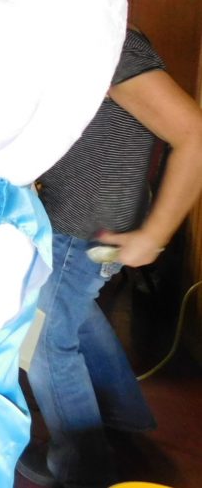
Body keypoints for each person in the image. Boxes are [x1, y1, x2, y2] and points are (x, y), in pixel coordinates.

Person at [20, 28, 202, 488]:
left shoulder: (109, 41)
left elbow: (195, 136)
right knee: (78, 317)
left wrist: (156, 235)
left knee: (43, 342)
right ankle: (123, 415)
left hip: (83, 231)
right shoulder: (77, 36)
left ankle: (81, 469)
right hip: (76, 224)